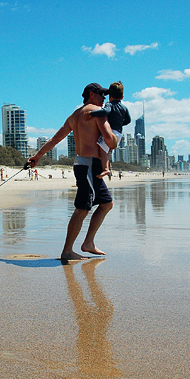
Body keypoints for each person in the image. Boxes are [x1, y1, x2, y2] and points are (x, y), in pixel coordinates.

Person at [28, 83, 117, 261]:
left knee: (106, 204)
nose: (104, 98)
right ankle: (67, 251)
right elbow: (110, 141)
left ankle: (88, 243)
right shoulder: (96, 113)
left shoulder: (75, 115)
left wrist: (38, 156)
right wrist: (116, 137)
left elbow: (55, 138)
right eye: (102, 95)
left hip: (83, 164)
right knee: (81, 209)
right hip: (90, 165)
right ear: (92, 94)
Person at [87, 81, 131, 179]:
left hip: (110, 133)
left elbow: (105, 111)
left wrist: (92, 114)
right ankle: (107, 164)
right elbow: (128, 120)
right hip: (119, 134)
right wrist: (120, 123)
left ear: (109, 96)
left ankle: (106, 169)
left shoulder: (109, 104)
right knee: (106, 150)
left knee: (102, 151)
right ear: (122, 97)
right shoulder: (124, 108)